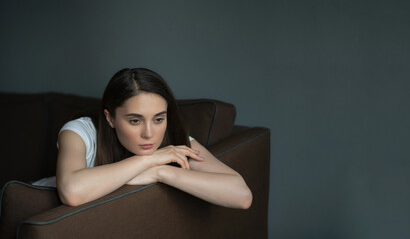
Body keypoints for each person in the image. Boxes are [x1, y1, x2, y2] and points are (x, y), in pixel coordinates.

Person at [33, 68, 252, 209]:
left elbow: (241, 195)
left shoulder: (173, 141)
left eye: (158, 119)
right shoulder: (81, 132)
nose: (149, 134)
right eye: (135, 121)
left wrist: (161, 172)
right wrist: (149, 160)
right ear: (110, 118)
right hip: (29, 204)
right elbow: (72, 193)